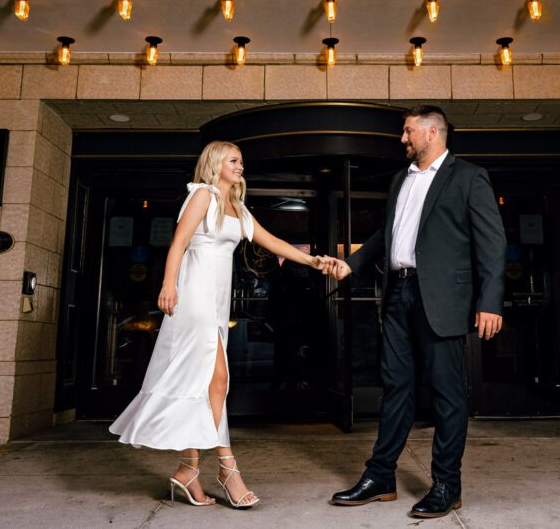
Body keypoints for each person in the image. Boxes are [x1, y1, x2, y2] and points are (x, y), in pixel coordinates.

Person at [110, 140, 325, 509]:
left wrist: (313, 261)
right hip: (194, 297)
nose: (241, 166)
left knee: (204, 381)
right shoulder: (202, 196)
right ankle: (228, 468)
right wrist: (167, 285)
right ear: (215, 164)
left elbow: (271, 241)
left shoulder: (237, 207)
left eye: (241, 161)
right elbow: (177, 243)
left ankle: (188, 470)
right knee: (218, 378)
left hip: (216, 298)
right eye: (234, 160)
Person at [322, 105, 506, 519]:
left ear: (432, 132)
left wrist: (490, 301)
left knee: (447, 395)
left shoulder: (468, 177)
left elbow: (492, 244)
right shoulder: (399, 180)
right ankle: (381, 476)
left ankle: (446, 485)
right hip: (400, 294)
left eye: (408, 132)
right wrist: (351, 263)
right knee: (395, 389)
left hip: (442, 300)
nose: (402, 139)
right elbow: (386, 234)